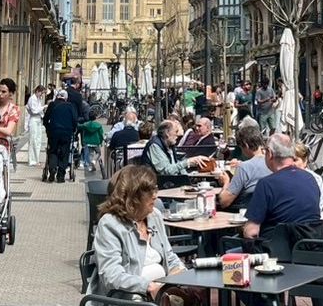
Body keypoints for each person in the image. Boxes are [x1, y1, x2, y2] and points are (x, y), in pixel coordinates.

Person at [88, 165, 192, 304]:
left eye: (155, 189)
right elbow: (111, 276)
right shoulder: (110, 224)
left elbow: (170, 257)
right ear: (133, 196)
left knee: (199, 295)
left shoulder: (154, 216)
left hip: (161, 294)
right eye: (149, 191)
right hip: (126, 299)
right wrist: (148, 287)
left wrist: (179, 273)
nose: (155, 195)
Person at [243, 133, 322, 242]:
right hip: (310, 246)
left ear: (270, 153)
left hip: (275, 249)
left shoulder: (266, 184)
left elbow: (251, 232)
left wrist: (244, 229)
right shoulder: (310, 179)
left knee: (229, 246)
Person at [216, 124, 270, 211]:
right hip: (267, 212)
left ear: (246, 145)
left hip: (244, 212)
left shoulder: (244, 167)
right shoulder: (273, 164)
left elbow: (224, 202)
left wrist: (226, 182)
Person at [145, 120, 211, 176]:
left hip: (171, 181)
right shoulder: (155, 146)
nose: (178, 135)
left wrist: (187, 177)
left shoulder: (169, 144)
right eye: (176, 131)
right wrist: (187, 162)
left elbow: (175, 164)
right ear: (167, 133)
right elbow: (166, 171)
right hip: (156, 183)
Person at [43, 89, 79, 182]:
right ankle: (60, 175)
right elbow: (75, 120)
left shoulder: (52, 104)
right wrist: (74, 130)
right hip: (66, 132)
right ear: (66, 98)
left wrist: (48, 129)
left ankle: (52, 169)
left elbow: (45, 119)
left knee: (53, 151)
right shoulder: (70, 106)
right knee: (64, 152)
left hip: (54, 131)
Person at [0, 78, 22, 143]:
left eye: (3, 92)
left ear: (10, 93)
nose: (0, 94)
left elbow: (8, 131)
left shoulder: (13, 109)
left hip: (2, 144)